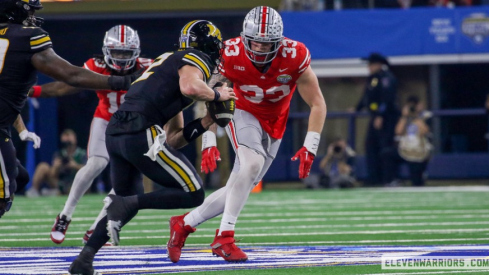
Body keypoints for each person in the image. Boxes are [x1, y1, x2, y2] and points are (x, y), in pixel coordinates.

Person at [68, 20, 237, 275]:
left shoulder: (168, 66)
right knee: (193, 192)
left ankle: (84, 258)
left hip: (117, 132)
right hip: (139, 128)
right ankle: (126, 205)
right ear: (211, 47)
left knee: (126, 199)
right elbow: (190, 86)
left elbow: (174, 139)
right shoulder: (195, 58)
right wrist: (217, 96)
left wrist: (205, 121)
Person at [167, 6, 327, 263]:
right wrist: (209, 139)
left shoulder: (295, 55)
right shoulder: (230, 53)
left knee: (239, 186)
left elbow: (317, 103)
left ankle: (183, 224)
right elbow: (207, 94)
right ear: (244, 38)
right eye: (256, 43)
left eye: (268, 44)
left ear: (279, 41)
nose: (261, 49)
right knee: (252, 164)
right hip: (241, 112)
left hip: (276, 122)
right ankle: (224, 238)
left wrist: (311, 145)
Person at [0, 0, 135, 217]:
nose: (33, 15)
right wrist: (121, 82)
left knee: (19, 177)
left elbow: (5, 95)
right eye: (30, 10)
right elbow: (71, 76)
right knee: (3, 195)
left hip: (4, 125)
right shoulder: (27, 36)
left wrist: (22, 129)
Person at [31, 25, 152, 245]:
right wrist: (36, 91)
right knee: (96, 164)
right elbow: (67, 86)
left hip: (134, 126)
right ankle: (65, 215)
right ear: (106, 50)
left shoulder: (148, 67)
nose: (122, 58)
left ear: (136, 51)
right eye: (117, 52)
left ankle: (98, 226)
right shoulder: (96, 66)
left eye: (126, 52)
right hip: (105, 119)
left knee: (126, 180)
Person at [355, 52, 399, 186]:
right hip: (375, 116)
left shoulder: (387, 78)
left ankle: (388, 178)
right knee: (371, 146)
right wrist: (357, 108)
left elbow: (387, 98)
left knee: (385, 148)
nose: (369, 67)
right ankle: (374, 178)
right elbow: (367, 97)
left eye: (371, 64)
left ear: (378, 65)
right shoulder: (372, 79)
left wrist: (380, 115)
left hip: (387, 118)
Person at [382, 95, 432, 186]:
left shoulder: (425, 116)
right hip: (405, 150)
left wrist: (416, 117)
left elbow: (425, 131)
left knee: (417, 183)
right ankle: (393, 180)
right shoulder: (405, 118)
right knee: (387, 153)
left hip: (419, 152)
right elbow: (398, 131)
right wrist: (404, 117)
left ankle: (420, 178)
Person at [27, 129, 86, 197]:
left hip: (74, 182)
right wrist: (56, 167)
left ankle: (55, 193)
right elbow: (52, 174)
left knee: (73, 188)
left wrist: (75, 166)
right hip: (59, 182)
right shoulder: (59, 154)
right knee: (43, 166)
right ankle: (35, 190)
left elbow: (88, 171)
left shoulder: (82, 154)